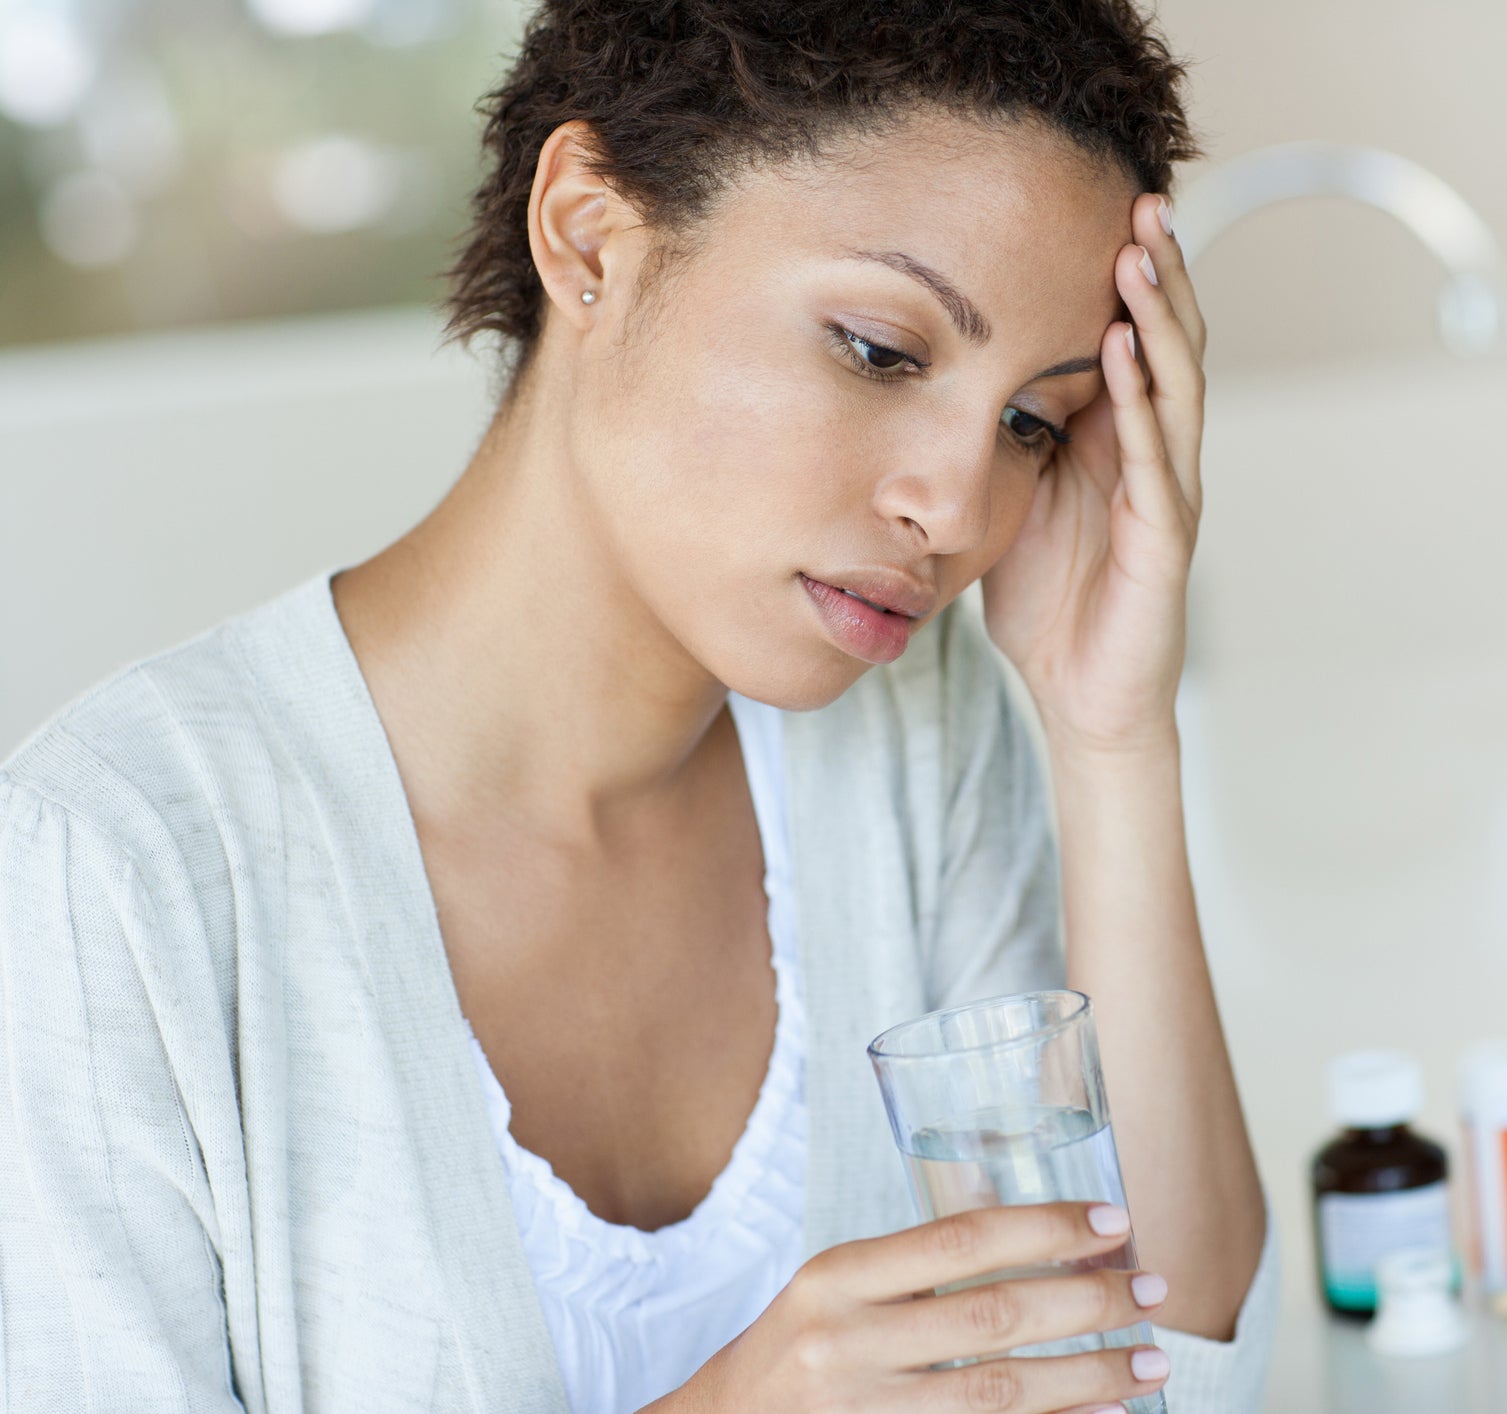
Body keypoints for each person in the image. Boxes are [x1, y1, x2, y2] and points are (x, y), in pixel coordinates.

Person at [0, 0, 1277, 1409]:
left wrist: (1111, 734)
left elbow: (1171, 1356)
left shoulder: (916, 732)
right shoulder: (107, 869)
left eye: (1028, 421)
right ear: (589, 235)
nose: (955, 504)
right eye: (878, 349)